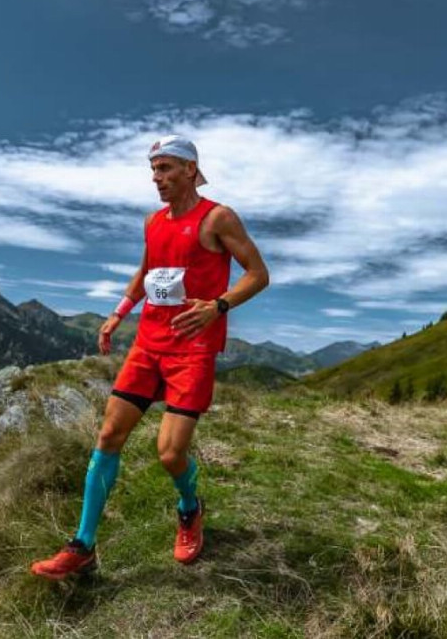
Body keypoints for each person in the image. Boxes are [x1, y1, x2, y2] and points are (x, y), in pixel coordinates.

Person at [31, 135, 270, 579]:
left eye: (166, 169)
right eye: (154, 170)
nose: (157, 179)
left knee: (169, 454)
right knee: (107, 435)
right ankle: (82, 546)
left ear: (191, 171)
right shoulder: (152, 222)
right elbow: (148, 272)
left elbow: (259, 274)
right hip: (148, 343)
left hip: (192, 350)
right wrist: (118, 314)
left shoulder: (218, 217)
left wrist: (218, 306)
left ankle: (189, 506)